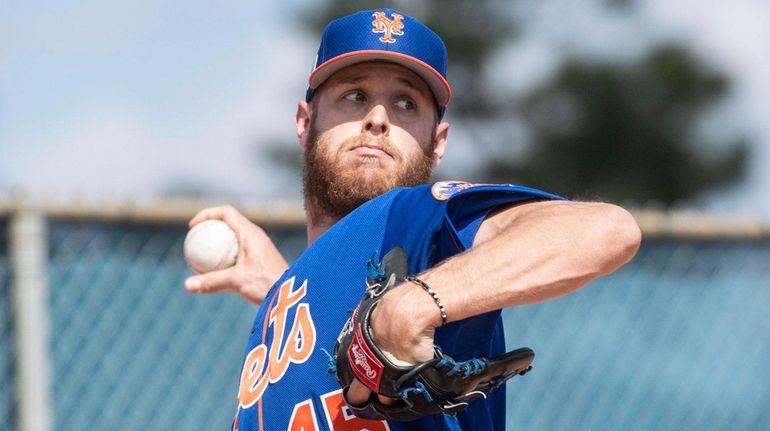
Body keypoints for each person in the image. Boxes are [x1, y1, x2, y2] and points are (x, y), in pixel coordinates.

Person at [183, 8, 641, 431]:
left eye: (405, 104)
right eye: (355, 95)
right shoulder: (283, 306)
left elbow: (605, 230)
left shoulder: (414, 218)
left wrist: (417, 304)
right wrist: (285, 289)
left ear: (437, 142)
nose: (378, 118)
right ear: (305, 121)